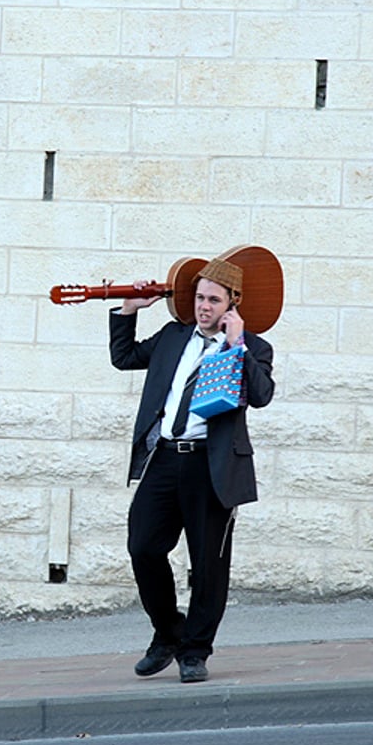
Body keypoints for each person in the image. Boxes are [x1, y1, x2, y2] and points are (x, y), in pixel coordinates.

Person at [108, 257, 275, 683]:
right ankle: (168, 634)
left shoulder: (252, 349)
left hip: (211, 467)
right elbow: (124, 357)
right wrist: (129, 309)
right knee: (143, 546)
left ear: (232, 303)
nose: (204, 307)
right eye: (200, 298)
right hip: (164, 459)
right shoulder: (172, 337)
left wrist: (237, 345)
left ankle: (195, 652)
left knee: (208, 566)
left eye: (214, 300)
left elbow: (261, 396)